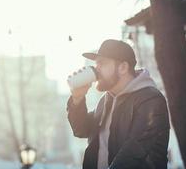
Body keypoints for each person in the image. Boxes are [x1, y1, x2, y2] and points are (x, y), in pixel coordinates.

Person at [67, 39, 170, 169]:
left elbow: (133, 154)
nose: (96, 69)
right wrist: (77, 99)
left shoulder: (150, 100)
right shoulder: (106, 101)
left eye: (102, 63)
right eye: (96, 64)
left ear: (123, 67)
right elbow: (81, 130)